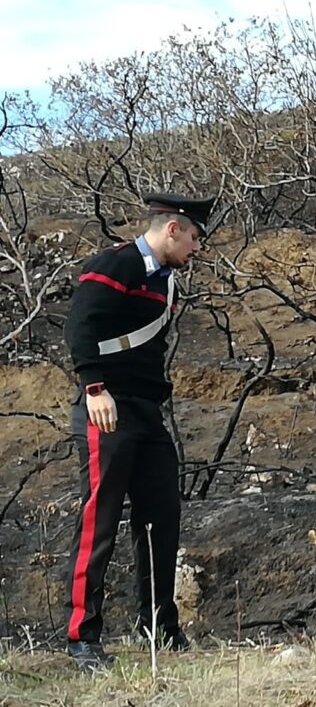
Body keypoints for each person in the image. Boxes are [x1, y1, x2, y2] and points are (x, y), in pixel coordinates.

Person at [63, 192, 214, 670]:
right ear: (172, 229)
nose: (197, 248)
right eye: (194, 237)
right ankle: (82, 637)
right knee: (99, 521)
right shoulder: (117, 263)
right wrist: (94, 387)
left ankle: (159, 627)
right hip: (108, 406)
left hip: (147, 412)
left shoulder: (165, 282)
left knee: (161, 516)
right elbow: (81, 325)